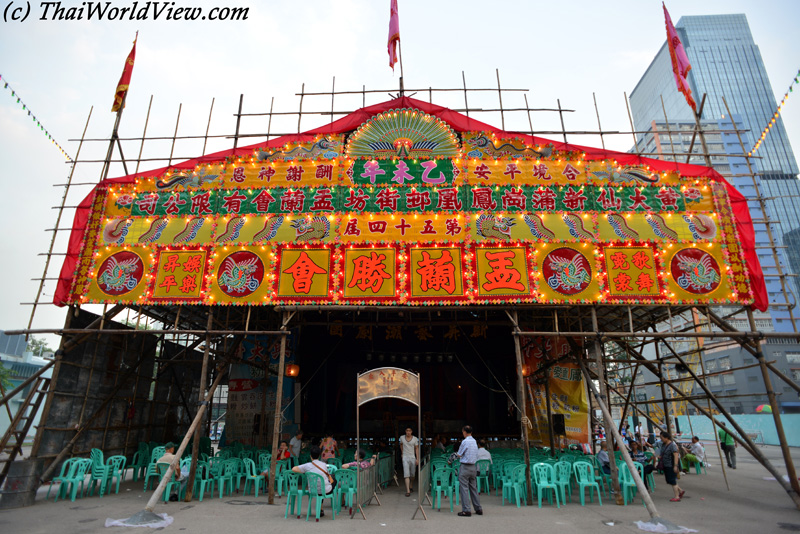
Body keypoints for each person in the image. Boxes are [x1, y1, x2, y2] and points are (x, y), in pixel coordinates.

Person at [292, 445, 333, 516]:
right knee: (332, 481)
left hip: (313, 490)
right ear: (320, 455)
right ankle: (322, 507)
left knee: (320, 486)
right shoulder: (324, 464)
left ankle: (321, 508)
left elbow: (294, 469)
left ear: (310, 456)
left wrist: (305, 472)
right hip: (325, 491)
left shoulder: (307, 466)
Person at [455, 425, 483, 517]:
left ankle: (466, 510)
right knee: (473, 488)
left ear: (464, 432)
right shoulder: (474, 441)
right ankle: (478, 508)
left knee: (464, 489)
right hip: (473, 467)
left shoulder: (464, 441)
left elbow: (459, 454)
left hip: (465, 467)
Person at [659, 432, 685, 502]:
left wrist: (675, 466)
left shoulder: (672, 445)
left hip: (670, 465)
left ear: (666, 437)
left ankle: (677, 496)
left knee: (672, 481)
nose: (661, 439)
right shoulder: (664, 445)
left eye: (662, 438)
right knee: (669, 480)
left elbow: (676, 455)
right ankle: (680, 490)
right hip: (666, 464)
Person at [400, 426, 419, 497]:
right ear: (405, 431)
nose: (408, 432)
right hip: (405, 457)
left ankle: (411, 484)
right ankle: (408, 490)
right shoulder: (402, 438)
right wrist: (402, 453)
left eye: (409, 431)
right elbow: (401, 445)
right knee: (406, 474)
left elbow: (416, 448)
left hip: (412, 457)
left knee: (413, 474)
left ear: (411, 432)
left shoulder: (415, 439)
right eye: (407, 430)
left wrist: (417, 458)